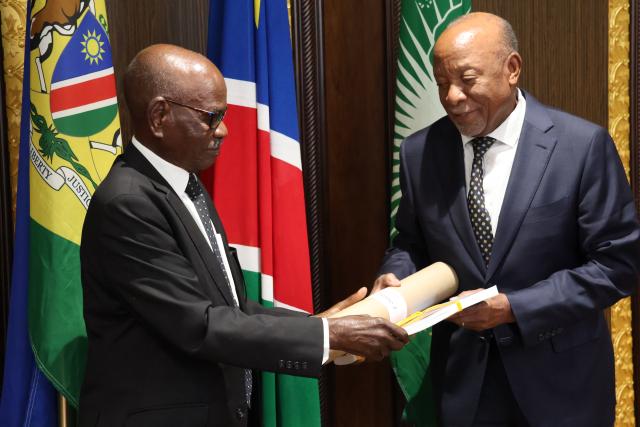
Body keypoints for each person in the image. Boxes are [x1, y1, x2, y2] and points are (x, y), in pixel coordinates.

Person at [79, 44, 408, 427]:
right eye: (210, 117)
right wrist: (324, 333)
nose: (223, 130)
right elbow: (199, 325)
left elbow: (230, 308)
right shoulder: (127, 203)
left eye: (224, 115)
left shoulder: (187, 185)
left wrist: (317, 326)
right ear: (159, 116)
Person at [374, 12, 640, 427]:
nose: (452, 97)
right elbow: (410, 243)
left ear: (511, 68)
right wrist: (395, 278)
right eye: (442, 83)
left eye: (467, 79)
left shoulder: (581, 146)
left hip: (562, 386)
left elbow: (618, 266)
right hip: (465, 386)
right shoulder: (419, 152)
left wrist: (515, 308)